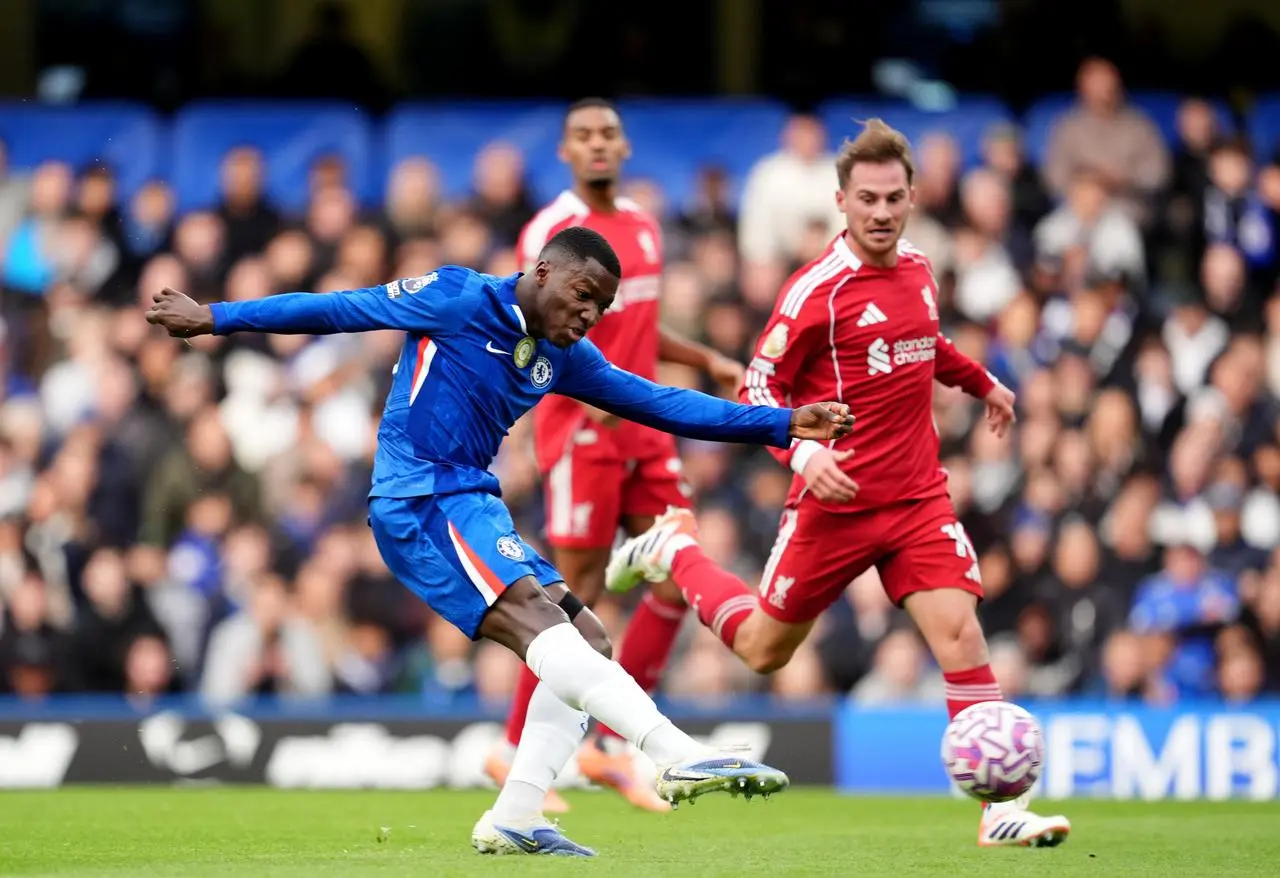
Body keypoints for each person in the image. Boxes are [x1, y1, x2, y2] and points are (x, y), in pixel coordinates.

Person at [145, 226, 854, 857]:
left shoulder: (564, 355)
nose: (589, 315)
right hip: (418, 497)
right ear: (542, 271)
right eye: (582, 295)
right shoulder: (457, 297)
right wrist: (215, 318)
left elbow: (659, 402)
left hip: (471, 503)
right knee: (544, 626)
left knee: (589, 638)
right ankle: (672, 753)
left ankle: (516, 816)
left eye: (601, 307)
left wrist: (781, 422)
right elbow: (339, 309)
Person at [606, 120, 1073, 848]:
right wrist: (800, 456)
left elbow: (924, 342)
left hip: (916, 498)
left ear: (912, 198)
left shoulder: (919, 268)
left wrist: (983, 383)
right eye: (867, 199)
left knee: (960, 634)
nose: (881, 212)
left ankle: (1000, 809)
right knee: (763, 649)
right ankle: (675, 552)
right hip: (835, 502)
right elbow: (758, 386)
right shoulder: (815, 291)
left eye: (893, 198)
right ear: (841, 202)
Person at [490, 97, 746, 813]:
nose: (598, 144)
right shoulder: (550, 229)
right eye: (584, 135)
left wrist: (707, 359)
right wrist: (568, 402)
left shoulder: (644, 226)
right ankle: (512, 752)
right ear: (566, 151)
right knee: (574, 599)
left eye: (608, 133)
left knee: (673, 579)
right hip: (583, 434)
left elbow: (638, 326)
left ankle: (610, 745)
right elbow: (533, 322)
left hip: (644, 431)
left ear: (625, 146)